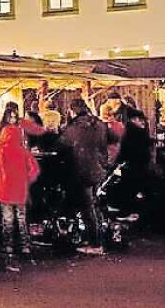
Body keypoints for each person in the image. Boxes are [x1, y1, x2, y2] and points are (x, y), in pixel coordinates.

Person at [0, 107, 40, 270]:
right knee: (21, 217)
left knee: (7, 219)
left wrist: (2, 177)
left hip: (4, 189)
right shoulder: (23, 151)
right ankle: (25, 246)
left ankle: (9, 246)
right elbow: (35, 170)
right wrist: (26, 180)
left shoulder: (0, 150)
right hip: (20, 189)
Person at [61, 98, 109, 255]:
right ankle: (95, 238)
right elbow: (106, 142)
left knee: (87, 208)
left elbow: (62, 144)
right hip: (98, 168)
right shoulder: (99, 123)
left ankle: (96, 243)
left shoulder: (75, 126)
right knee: (93, 205)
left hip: (82, 170)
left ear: (72, 110)